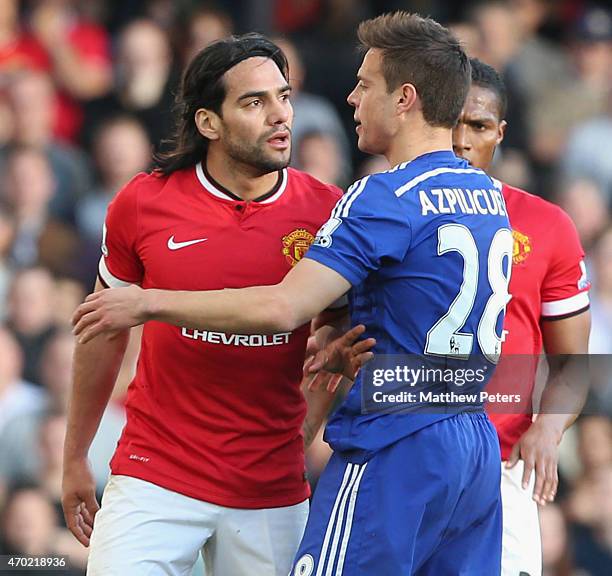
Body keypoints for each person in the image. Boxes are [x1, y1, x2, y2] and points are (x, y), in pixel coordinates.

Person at [74, 12, 515, 574]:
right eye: (260, 100)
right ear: (208, 122)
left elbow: (284, 307)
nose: (351, 99)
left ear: (403, 99)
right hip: (471, 440)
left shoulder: (372, 198)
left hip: (395, 441)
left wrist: (148, 302)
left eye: (364, 84)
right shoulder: (487, 195)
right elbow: (372, 316)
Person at [62, 34, 373, 576]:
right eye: (255, 103)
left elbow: (337, 346)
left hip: (269, 486)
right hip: (155, 473)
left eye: (284, 96)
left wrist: (301, 437)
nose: (281, 116)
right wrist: (74, 459)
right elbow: (104, 330)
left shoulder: (328, 213)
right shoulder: (142, 202)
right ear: (209, 122)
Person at [452, 57, 591, 576]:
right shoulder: (384, 210)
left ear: (501, 133)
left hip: (502, 463)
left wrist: (548, 429)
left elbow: (572, 364)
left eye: (480, 126)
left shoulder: (547, 225)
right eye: (452, 123)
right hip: (404, 455)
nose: (462, 140)